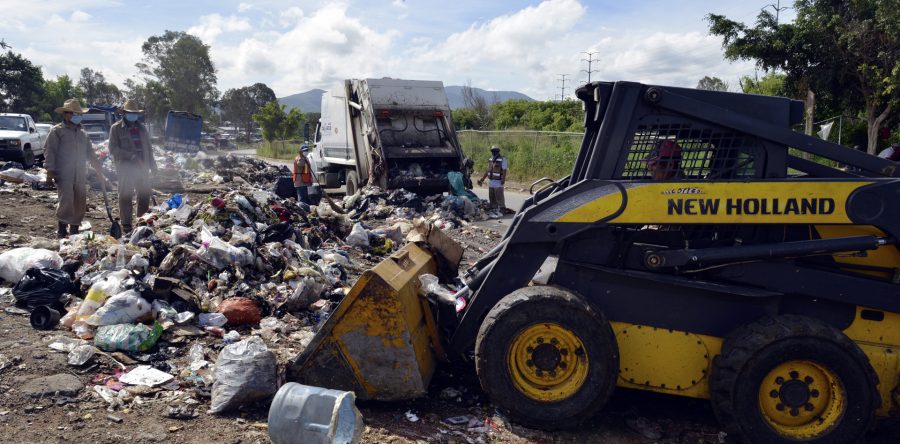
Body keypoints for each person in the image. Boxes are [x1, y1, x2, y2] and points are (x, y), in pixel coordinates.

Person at [44, 98, 106, 238]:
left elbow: (90, 152)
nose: (78, 117)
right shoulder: (57, 131)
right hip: (64, 173)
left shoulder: (82, 133)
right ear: (66, 114)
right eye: (74, 114)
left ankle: (74, 230)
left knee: (80, 202)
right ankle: (61, 229)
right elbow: (50, 151)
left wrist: (98, 167)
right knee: (66, 202)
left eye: (79, 114)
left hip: (80, 173)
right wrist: (50, 171)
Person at [108, 99, 156, 233]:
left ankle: (142, 224)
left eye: (135, 113)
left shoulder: (142, 128)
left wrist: (153, 165)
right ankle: (127, 226)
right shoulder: (116, 128)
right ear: (124, 113)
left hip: (143, 168)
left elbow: (148, 148)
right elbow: (113, 149)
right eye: (130, 112)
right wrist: (131, 156)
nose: (133, 115)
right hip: (126, 168)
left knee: (144, 196)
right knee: (125, 196)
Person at [477, 145, 507, 213]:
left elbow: (504, 170)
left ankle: (502, 208)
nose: (494, 152)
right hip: (491, 182)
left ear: (498, 151)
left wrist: (503, 179)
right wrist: (482, 179)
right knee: (492, 197)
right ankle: (494, 208)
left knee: (499, 197)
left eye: (495, 151)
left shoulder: (502, 159)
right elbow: (488, 170)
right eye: (493, 151)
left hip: (498, 183)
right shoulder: (490, 159)